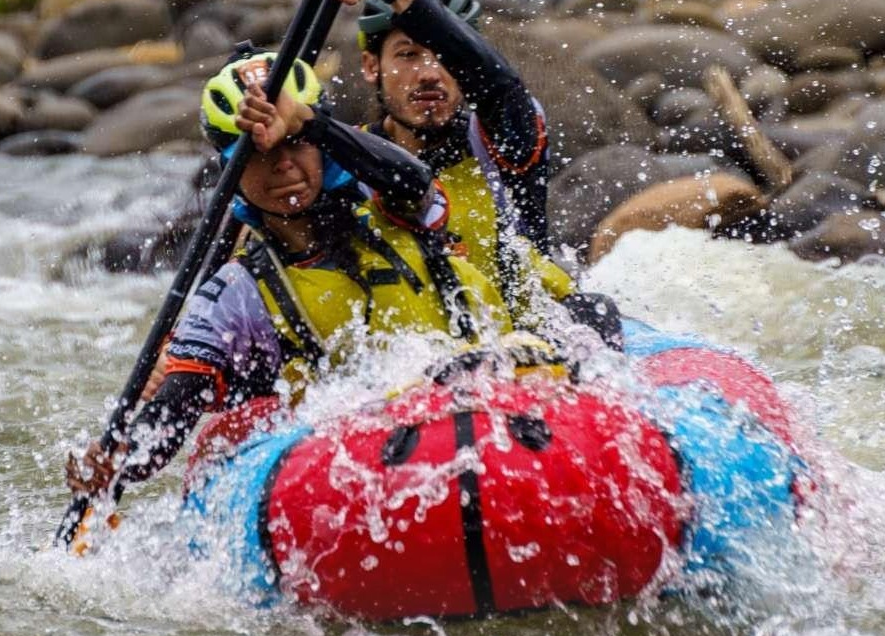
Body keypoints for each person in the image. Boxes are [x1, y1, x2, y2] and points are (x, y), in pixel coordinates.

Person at [65, 48, 560, 499]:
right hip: (383, 454)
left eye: (295, 143)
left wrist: (305, 120)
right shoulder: (234, 293)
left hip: (502, 392)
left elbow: (414, 178)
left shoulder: (390, 201)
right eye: (257, 153)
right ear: (230, 171)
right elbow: (176, 409)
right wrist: (116, 465)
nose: (281, 165)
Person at [334, 0, 621, 347]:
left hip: (527, 350)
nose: (430, 74)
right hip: (416, 366)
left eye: (444, 56)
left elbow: (498, 85)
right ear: (370, 66)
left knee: (596, 312)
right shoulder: (346, 162)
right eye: (408, 55)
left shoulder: (505, 138)